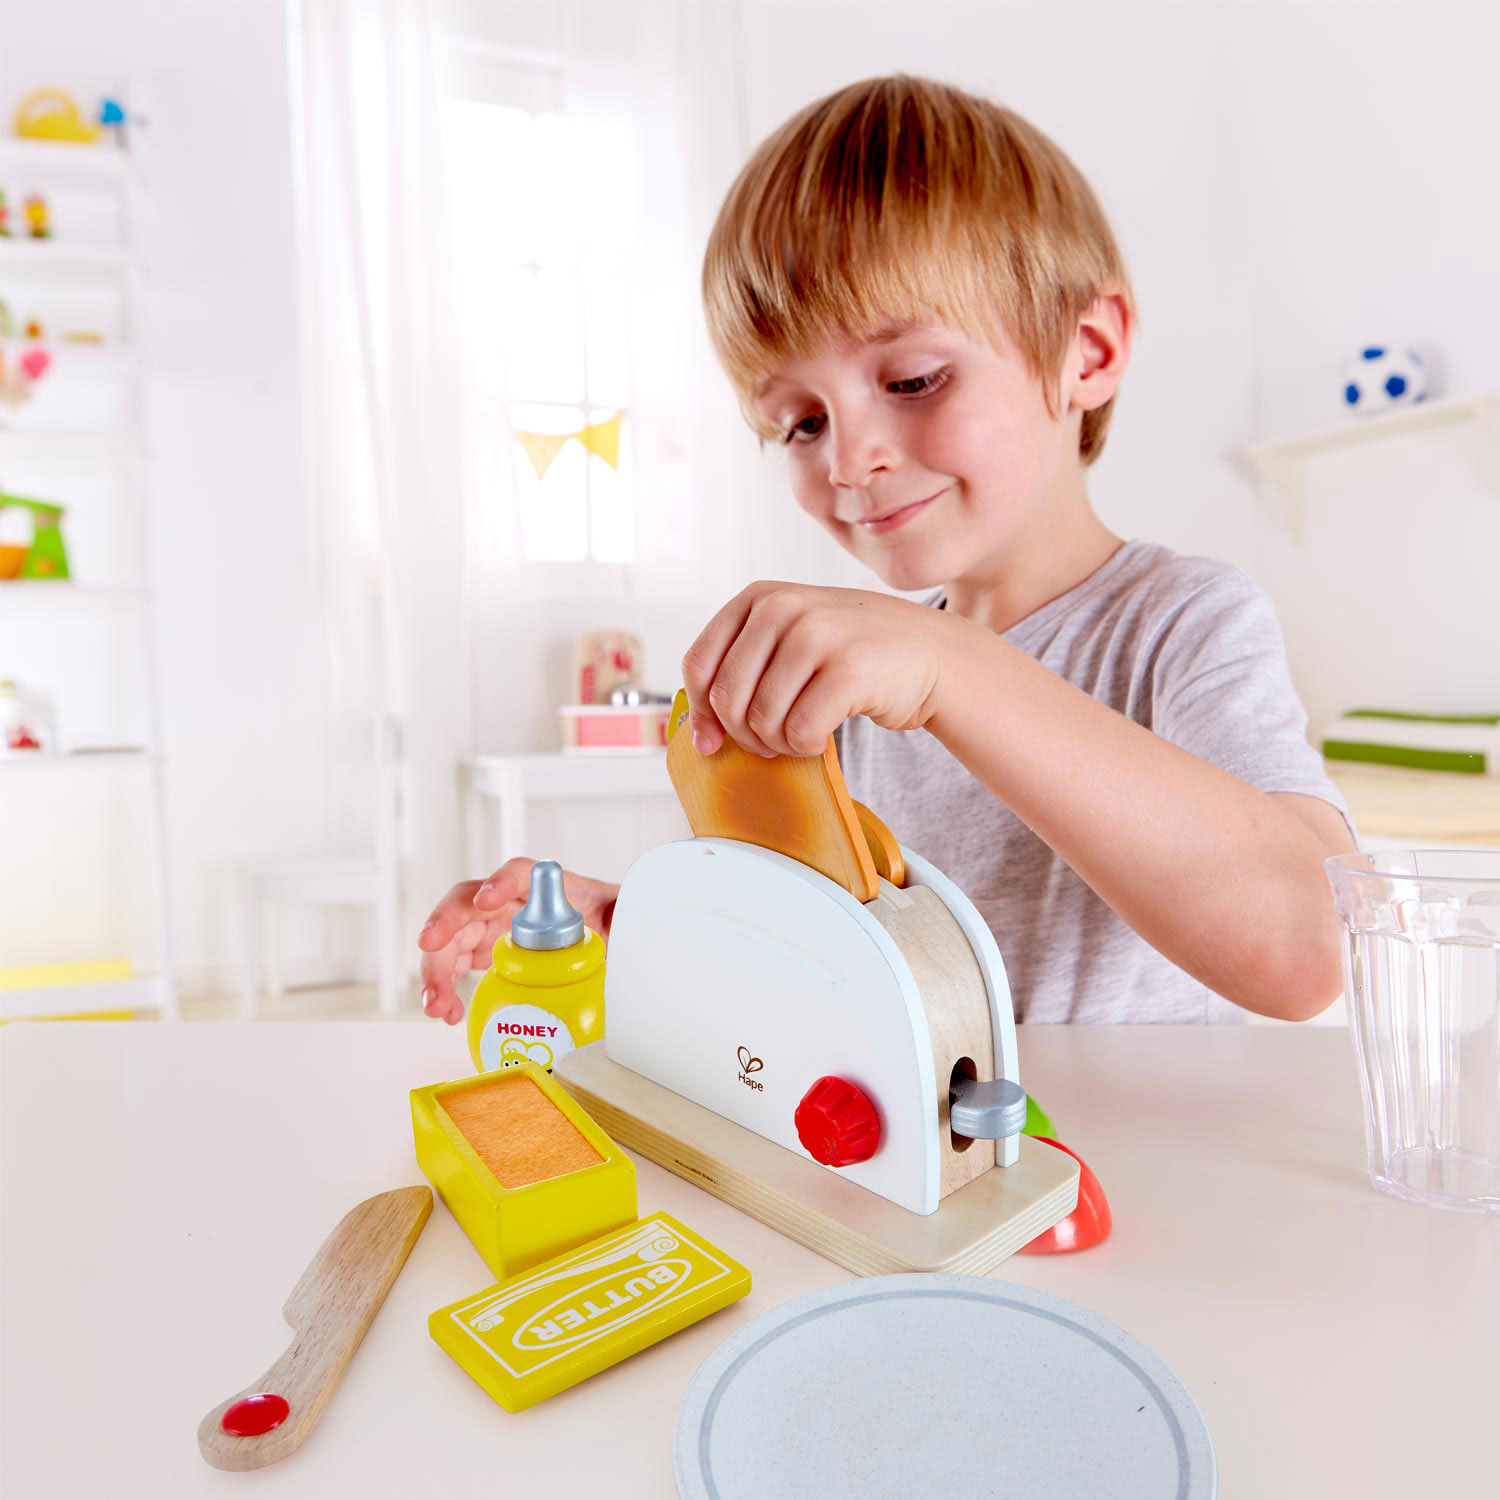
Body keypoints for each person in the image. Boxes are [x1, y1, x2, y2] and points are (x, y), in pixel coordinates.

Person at [420, 74, 1356, 1028]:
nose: (851, 457)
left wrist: (952, 666)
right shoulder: (860, 699)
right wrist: (626, 930)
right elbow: (807, 986)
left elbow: (1307, 949)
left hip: (1149, 1169)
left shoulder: (1182, 621)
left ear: (1088, 350)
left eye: (911, 379)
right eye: (800, 422)